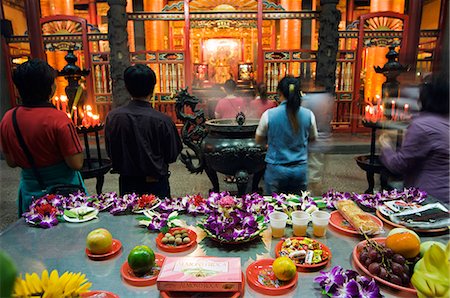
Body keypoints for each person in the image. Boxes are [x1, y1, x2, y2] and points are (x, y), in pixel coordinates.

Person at [0, 59, 86, 216]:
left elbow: (11, 162)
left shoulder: (8, 119)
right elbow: (76, 163)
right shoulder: (58, 119)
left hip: (31, 192)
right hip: (64, 194)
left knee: (34, 236)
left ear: (18, 89)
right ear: (51, 88)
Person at [105, 64, 182, 198]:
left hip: (127, 184)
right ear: (152, 88)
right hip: (156, 185)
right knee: (158, 217)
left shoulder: (113, 118)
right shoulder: (163, 120)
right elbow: (172, 155)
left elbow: (111, 152)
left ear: (127, 88)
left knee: (129, 217)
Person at [380, 72, 449, 202]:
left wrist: (386, 146)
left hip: (429, 197)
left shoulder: (423, 125)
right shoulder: (445, 122)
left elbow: (398, 165)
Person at [255, 76, 318, 194]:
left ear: (279, 92)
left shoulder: (269, 115)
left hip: (276, 170)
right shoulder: (309, 115)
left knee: (273, 208)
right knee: (297, 207)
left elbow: (258, 139)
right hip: (300, 170)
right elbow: (313, 138)